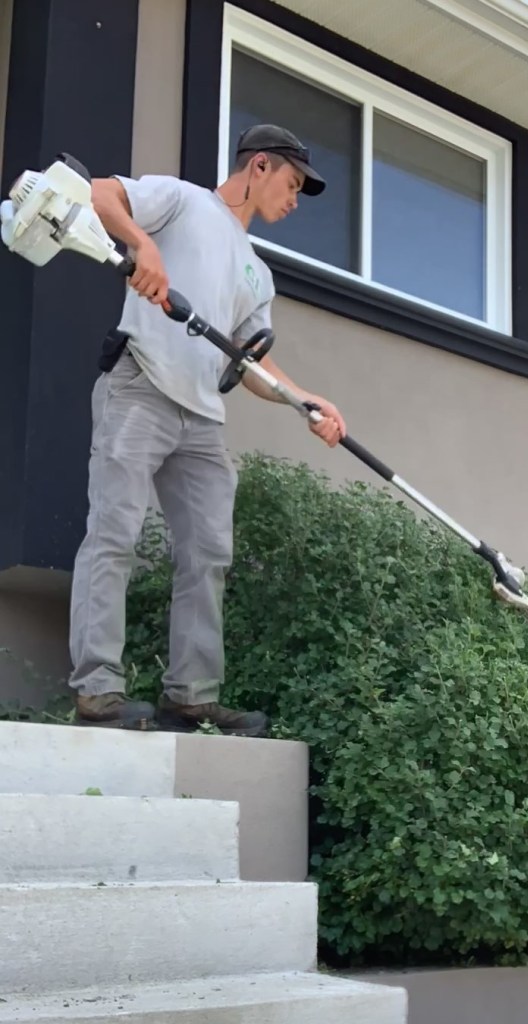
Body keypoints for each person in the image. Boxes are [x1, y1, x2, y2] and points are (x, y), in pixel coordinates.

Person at [68, 124, 346, 736]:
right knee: (114, 533)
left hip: (201, 420)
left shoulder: (256, 274)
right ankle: (98, 694)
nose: (294, 200)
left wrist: (306, 402)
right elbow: (97, 193)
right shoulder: (183, 200)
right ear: (260, 168)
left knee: (209, 553)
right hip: (140, 383)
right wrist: (143, 245)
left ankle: (190, 697)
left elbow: (249, 363)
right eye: (293, 183)